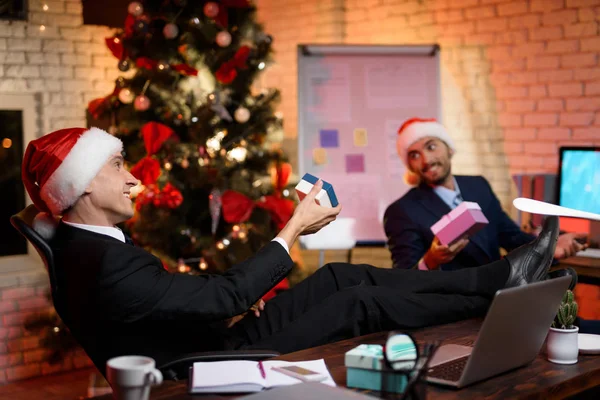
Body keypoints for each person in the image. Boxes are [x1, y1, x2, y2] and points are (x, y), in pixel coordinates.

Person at [22, 127, 563, 376]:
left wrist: (238, 298)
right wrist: (293, 228)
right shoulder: (97, 262)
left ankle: (497, 280)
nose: (135, 179)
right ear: (82, 187)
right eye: (117, 167)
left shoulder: (91, 244)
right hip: (205, 366)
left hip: (211, 337)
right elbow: (221, 296)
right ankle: (496, 292)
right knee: (356, 302)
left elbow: (187, 299)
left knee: (338, 279)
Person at [384, 118, 586, 271]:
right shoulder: (401, 211)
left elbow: (512, 237)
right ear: (409, 165)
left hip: (497, 298)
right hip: (452, 312)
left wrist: (550, 246)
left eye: (431, 146)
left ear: (449, 149)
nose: (426, 159)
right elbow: (404, 279)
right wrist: (431, 260)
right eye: (414, 155)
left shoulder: (477, 185)